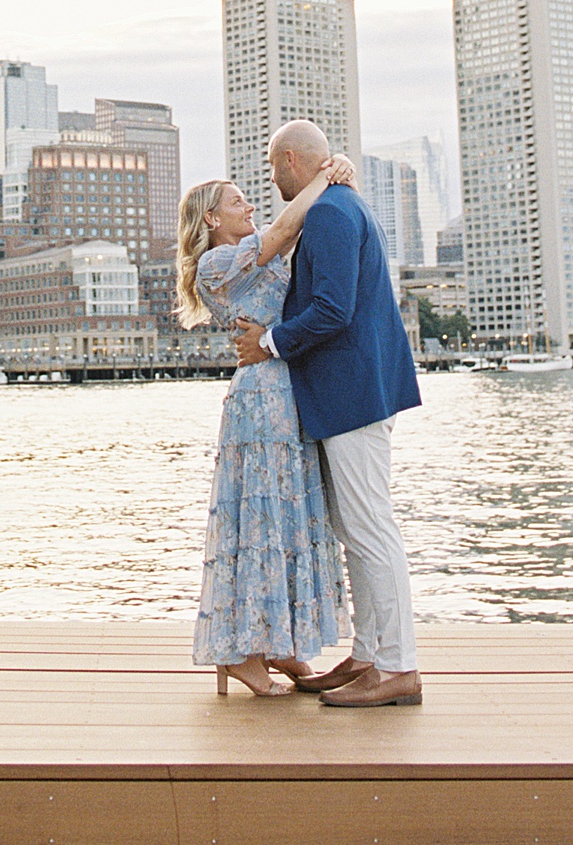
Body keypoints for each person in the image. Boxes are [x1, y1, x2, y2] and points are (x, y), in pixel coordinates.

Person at [235, 119, 423, 708]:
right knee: (357, 529)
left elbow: (332, 309)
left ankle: (397, 666)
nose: (270, 178)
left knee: (369, 529)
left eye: (272, 166)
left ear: (292, 160)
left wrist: (268, 342)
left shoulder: (330, 215)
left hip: (353, 394)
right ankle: (370, 655)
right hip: (354, 392)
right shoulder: (342, 204)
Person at [178, 158, 354, 696]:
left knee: (287, 516)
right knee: (258, 522)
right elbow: (283, 229)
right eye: (237, 202)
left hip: (286, 391)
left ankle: (281, 643)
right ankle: (243, 653)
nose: (250, 206)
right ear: (210, 219)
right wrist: (326, 176)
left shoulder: (252, 257)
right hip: (260, 399)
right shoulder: (216, 264)